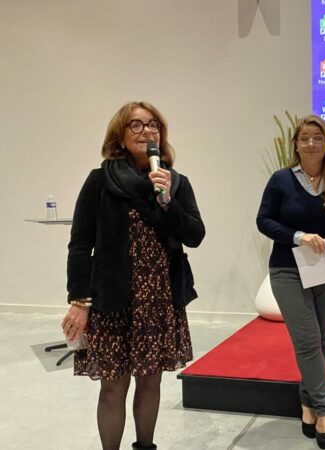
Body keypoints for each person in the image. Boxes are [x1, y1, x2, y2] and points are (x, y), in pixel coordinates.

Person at [62, 101, 205, 450]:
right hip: (112, 298)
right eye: (136, 125)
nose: (147, 131)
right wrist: (79, 301)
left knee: (151, 381)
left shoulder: (175, 182)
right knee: (113, 386)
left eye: (153, 125)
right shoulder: (100, 181)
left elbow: (195, 235)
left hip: (158, 298)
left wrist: (167, 202)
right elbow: (80, 244)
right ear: (120, 136)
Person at [256, 114, 325, 449]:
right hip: (287, 270)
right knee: (307, 341)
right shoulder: (281, 180)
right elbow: (263, 220)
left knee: (322, 340)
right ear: (296, 144)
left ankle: (307, 403)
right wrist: (298, 236)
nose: (311, 144)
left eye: (317, 138)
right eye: (304, 138)